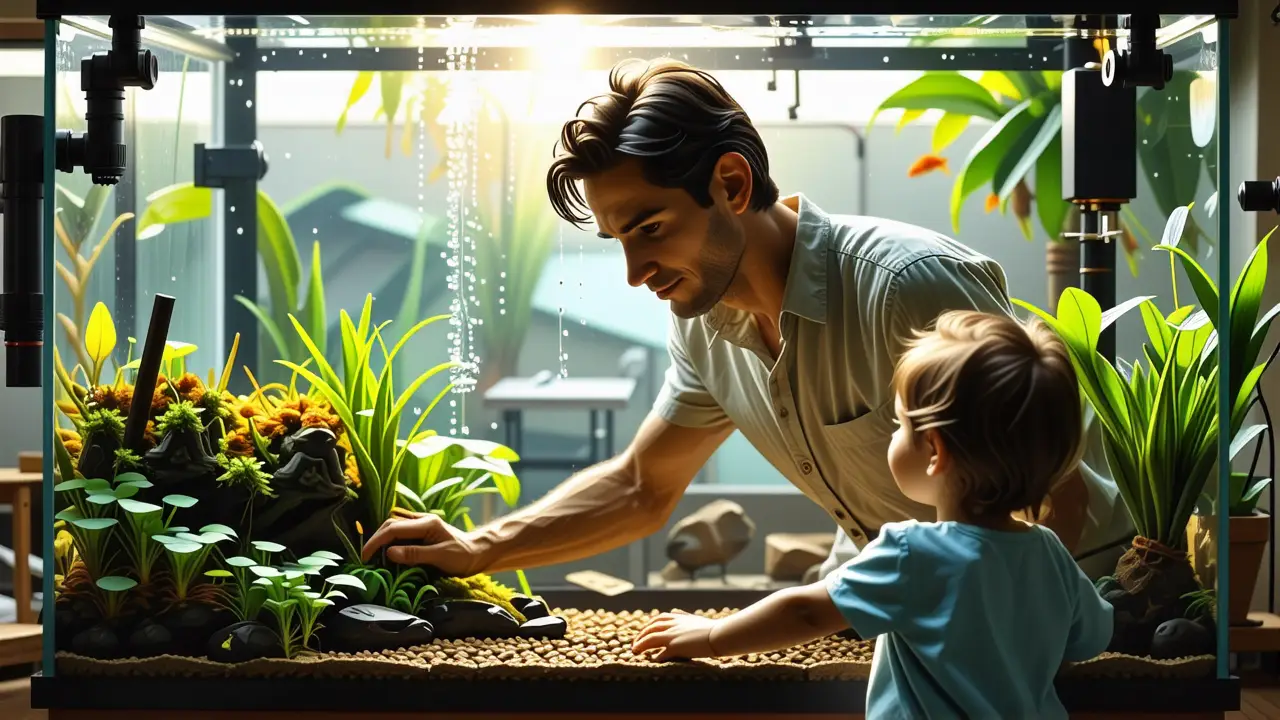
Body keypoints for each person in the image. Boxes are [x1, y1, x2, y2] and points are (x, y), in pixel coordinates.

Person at [361, 57, 1133, 584]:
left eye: (650, 228)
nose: (634, 273)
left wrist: (1015, 642)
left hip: (1066, 608)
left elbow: (1053, 494)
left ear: (731, 183)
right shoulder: (703, 322)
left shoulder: (907, 289)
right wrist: (477, 548)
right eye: (616, 240)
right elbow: (640, 487)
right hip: (906, 607)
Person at [632, 310, 1115, 719]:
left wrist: (711, 636)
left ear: (934, 450)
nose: (890, 437)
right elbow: (1090, 638)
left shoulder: (913, 551)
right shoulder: (1050, 554)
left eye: (899, 424)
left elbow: (804, 611)